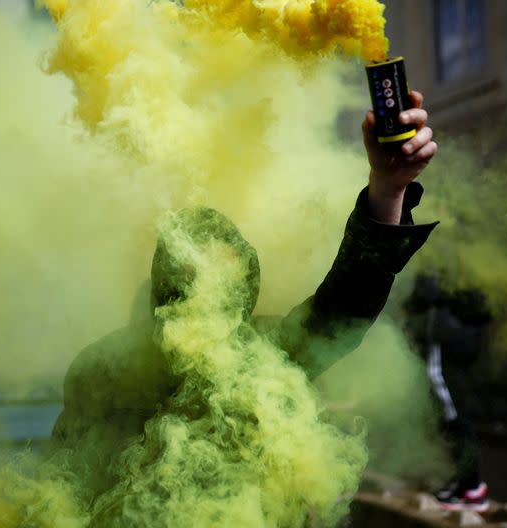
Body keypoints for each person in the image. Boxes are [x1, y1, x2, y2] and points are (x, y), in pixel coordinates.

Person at [52, 93, 440, 497]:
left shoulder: (268, 353)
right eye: (194, 275)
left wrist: (387, 188)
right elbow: (62, 487)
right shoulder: (102, 371)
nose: (211, 290)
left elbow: (345, 305)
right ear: (166, 282)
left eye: (228, 279)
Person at [403, 273, 491, 512]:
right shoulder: (441, 315)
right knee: (454, 430)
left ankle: (472, 489)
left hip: (444, 383)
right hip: (447, 382)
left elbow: (435, 362)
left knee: (458, 429)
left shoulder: (436, 318)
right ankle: (466, 485)